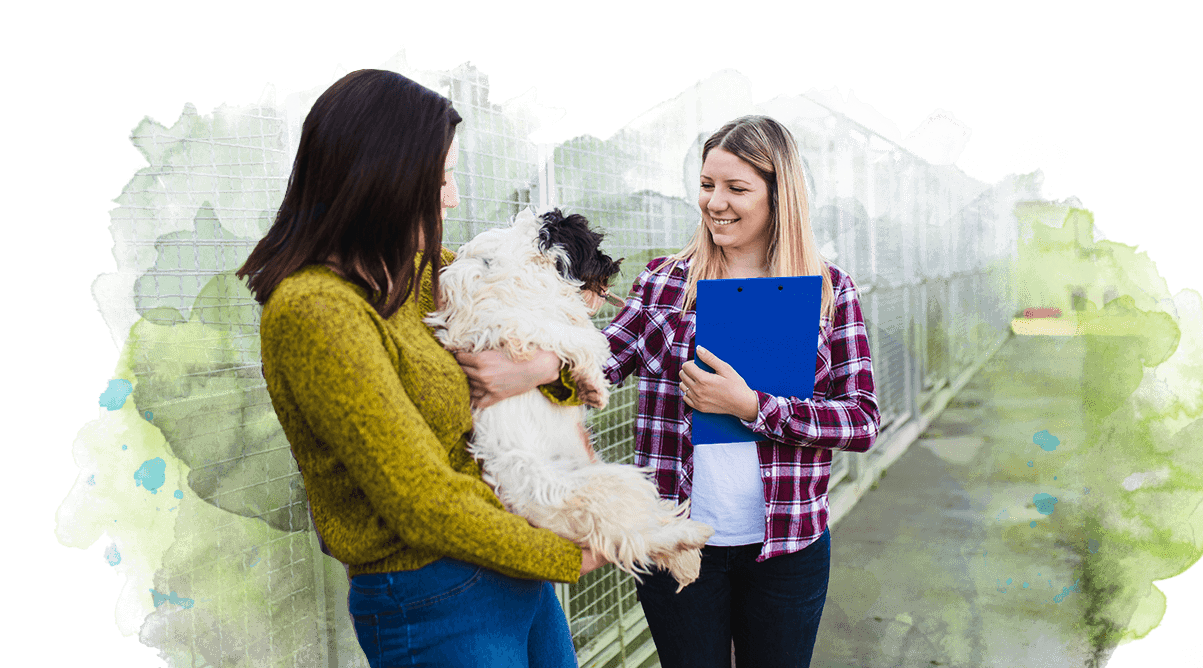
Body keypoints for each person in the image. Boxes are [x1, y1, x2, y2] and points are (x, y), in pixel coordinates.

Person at [463, 115, 881, 667]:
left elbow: (860, 420)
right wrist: (534, 367)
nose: (715, 203)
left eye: (737, 189)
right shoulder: (665, 280)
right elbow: (606, 357)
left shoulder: (830, 290)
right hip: (679, 538)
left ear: (780, 195)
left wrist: (752, 407)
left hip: (786, 543)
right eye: (708, 185)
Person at [235, 68, 607, 668]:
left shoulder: (419, 269)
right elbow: (417, 497)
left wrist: (541, 367)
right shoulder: (316, 311)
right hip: (433, 594)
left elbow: (541, 319)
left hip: (511, 565)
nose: (452, 198)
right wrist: (573, 554)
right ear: (377, 180)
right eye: (440, 178)